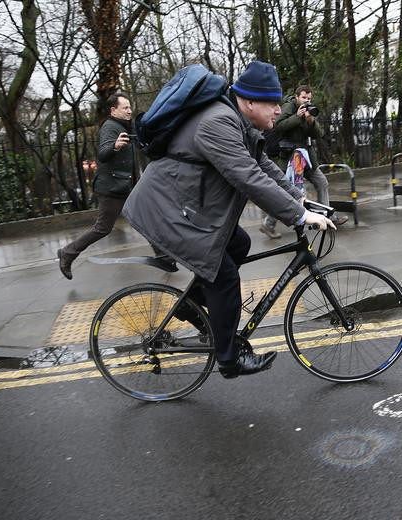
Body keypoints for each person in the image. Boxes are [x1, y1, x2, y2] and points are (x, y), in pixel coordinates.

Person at [122, 61, 335, 378]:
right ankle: (229, 358)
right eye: (273, 104)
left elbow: (262, 164)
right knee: (224, 281)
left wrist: (298, 197)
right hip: (168, 212)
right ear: (250, 102)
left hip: (188, 209)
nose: (279, 110)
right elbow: (247, 177)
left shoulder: (238, 122)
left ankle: (187, 305)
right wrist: (299, 215)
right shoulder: (218, 122)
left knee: (240, 243)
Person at [57, 93, 160, 279]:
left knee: (145, 217)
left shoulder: (126, 126)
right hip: (112, 189)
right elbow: (103, 153)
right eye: (125, 108)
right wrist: (115, 146)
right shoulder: (110, 127)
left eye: (130, 107)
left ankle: (163, 255)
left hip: (125, 186)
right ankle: (67, 252)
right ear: (114, 110)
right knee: (103, 228)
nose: (129, 110)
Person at [260, 85, 348, 239]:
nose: (307, 101)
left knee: (322, 182)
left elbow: (318, 134)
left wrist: (310, 120)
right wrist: (297, 117)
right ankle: (268, 224)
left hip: (305, 156)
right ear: (296, 96)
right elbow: (277, 126)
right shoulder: (288, 106)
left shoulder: (309, 110)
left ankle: (328, 217)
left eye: (309, 98)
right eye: (304, 98)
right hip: (289, 158)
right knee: (283, 191)